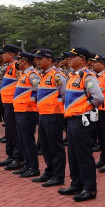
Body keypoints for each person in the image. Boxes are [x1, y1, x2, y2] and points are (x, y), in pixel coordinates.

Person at [58, 47, 104, 202]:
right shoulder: (72, 76)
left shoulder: (87, 76)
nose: (69, 59)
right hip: (72, 119)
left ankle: (89, 188)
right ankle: (76, 183)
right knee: (73, 154)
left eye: (73, 57)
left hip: (82, 119)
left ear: (83, 60)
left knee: (83, 154)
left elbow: (98, 97)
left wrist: (86, 109)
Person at [33, 49, 68, 187]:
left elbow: (65, 95)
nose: (37, 61)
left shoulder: (57, 75)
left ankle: (58, 175)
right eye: (36, 59)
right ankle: (49, 171)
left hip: (54, 115)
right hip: (43, 114)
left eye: (40, 59)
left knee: (55, 146)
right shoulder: (43, 75)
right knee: (46, 146)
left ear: (49, 60)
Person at [11, 52, 41, 177]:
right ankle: (27, 165)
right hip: (20, 111)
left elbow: (40, 89)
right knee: (22, 140)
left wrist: (32, 101)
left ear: (24, 61)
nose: (17, 63)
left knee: (28, 141)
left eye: (18, 61)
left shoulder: (32, 74)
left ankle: (33, 168)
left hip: (28, 112)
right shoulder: (24, 74)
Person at [0, 44, 24, 171]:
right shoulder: (9, 67)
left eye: (5, 53)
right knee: (9, 129)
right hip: (7, 102)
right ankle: (11, 155)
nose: (3, 55)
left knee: (14, 130)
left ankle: (18, 158)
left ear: (11, 55)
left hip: (13, 102)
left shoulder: (17, 66)